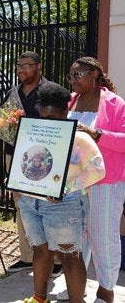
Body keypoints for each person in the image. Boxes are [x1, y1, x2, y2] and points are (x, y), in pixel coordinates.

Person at [19, 82, 105, 303]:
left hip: (64, 206)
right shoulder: (33, 132)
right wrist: (18, 179)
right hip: (31, 202)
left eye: (54, 119)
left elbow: (98, 170)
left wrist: (65, 189)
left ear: (65, 113)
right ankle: (39, 299)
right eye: (44, 118)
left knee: (69, 257)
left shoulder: (80, 138)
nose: (48, 123)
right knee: (40, 251)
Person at [62, 56, 125, 303]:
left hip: (105, 181)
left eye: (78, 74)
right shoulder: (70, 102)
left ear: (95, 74)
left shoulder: (115, 104)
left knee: (103, 235)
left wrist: (97, 134)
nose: (73, 79)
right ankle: (79, 287)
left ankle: (106, 289)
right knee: (78, 235)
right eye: (71, 76)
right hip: (73, 181)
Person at [5, 51, 64, 277]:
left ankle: (56, 259)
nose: (21, 69)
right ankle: (27, 256)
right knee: (22, 206)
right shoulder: (12, 93)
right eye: (19, 65)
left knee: (48, 205)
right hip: (16, 156)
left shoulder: (52, 91)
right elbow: (6, 121)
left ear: (39, 67)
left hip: (46, 155)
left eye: (27, 65)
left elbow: (60, 123)